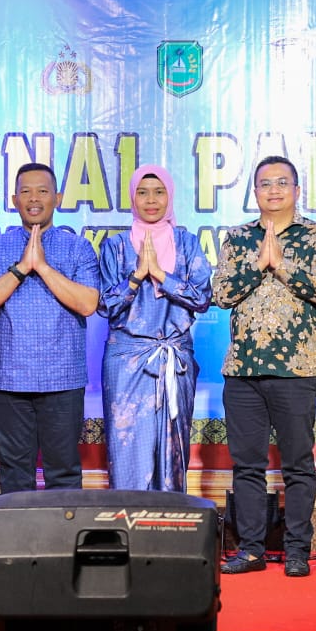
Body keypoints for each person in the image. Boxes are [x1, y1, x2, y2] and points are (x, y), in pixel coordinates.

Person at [213, 156, 316, 578]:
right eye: (265, 183)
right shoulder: (238, 238)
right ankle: (251, 549)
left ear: (297, 190)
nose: (273, 190)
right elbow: (221, 293)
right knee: (247, 465)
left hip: (296, 369)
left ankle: (297, 550)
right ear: (254, 192)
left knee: (298, 465)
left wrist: (281, 265)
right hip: (243, 369)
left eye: (282, 182)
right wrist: (258, 264)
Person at [0, 163, 100, 494]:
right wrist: (21, 268)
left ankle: (64, 531)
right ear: (14, 199)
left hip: (63, 378)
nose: (34, 198)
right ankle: (18, 532)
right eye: (25, 191)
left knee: (64, 474)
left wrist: (41, 266)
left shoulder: (77, 247)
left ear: (58, 198)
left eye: (42, 191)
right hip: (10, 380)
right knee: (14, 477)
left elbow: (88, 303)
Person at [98, 165, 212, 492]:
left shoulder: (187, 243)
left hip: (175, 361)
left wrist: (161, 274)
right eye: (143, 192)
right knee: (127, 451)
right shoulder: (115, 246)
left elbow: (203, 297)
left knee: (173, 453)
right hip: (126, 361)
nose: (151, 200)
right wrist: (136, 276)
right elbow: (104, 304)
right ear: (132, 198)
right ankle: (130, 521)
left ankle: (170, 521)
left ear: (170, 196)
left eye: (159, 192)